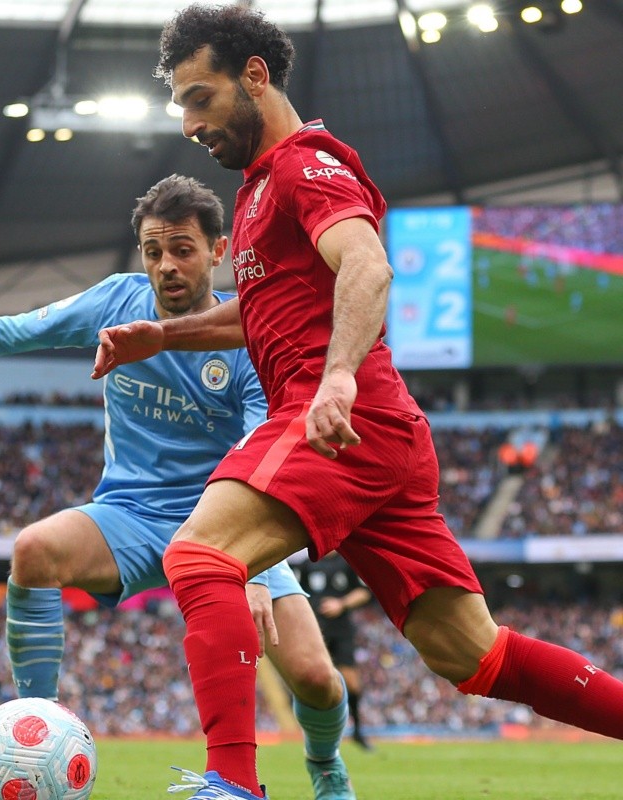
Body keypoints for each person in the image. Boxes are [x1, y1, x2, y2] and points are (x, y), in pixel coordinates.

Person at [90, 5, 623, 799]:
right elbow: (265, 311)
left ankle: (232, 784)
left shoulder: (307, 166)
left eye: (200, 97)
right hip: (376, 435)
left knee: (199, 556)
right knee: (474, 656)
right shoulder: (258, 191)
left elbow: (367, 265)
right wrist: (166, 337)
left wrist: (337, 375)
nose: (189, 122)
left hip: (338, 416)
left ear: (255, 77)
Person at [0, 175, 357, 800]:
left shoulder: (249, 340)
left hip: (228, 524)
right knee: (33, 549)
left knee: (317, 678)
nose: (166, 265)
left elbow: (257, 460)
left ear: (218, 252)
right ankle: (36, 731)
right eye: (153, 250)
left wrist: (259, 574)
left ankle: (326, 768)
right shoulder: (117, 304)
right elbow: (8, 332)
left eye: (183, 249)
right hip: (131, 517)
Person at [293, 553, 372, 750]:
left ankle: (357, 731)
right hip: (314, 630)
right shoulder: (306, 564)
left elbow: (364, 592)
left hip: (341, 631)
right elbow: (294, 594)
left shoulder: (348, 562)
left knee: (352, 683)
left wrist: (341, 604)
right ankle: (315, 735)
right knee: (315, 681)